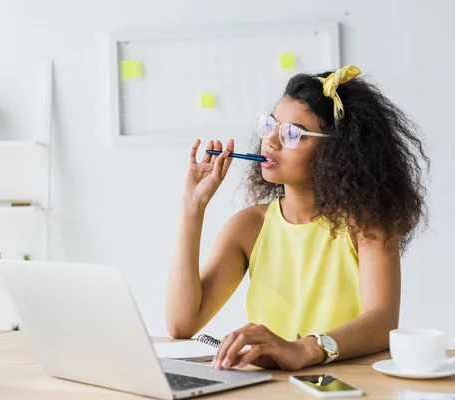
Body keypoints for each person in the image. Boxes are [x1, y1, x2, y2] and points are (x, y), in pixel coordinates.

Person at [166, 66, 428, 371]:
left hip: (346, 386)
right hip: (270, 387)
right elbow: (181, 324)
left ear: (337, 149)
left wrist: (304, 349)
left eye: (293, 133)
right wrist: (192, 207)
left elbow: (382, 320)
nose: (271, 141)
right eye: (270, 125)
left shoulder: (366, 224)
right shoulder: (248, 228)